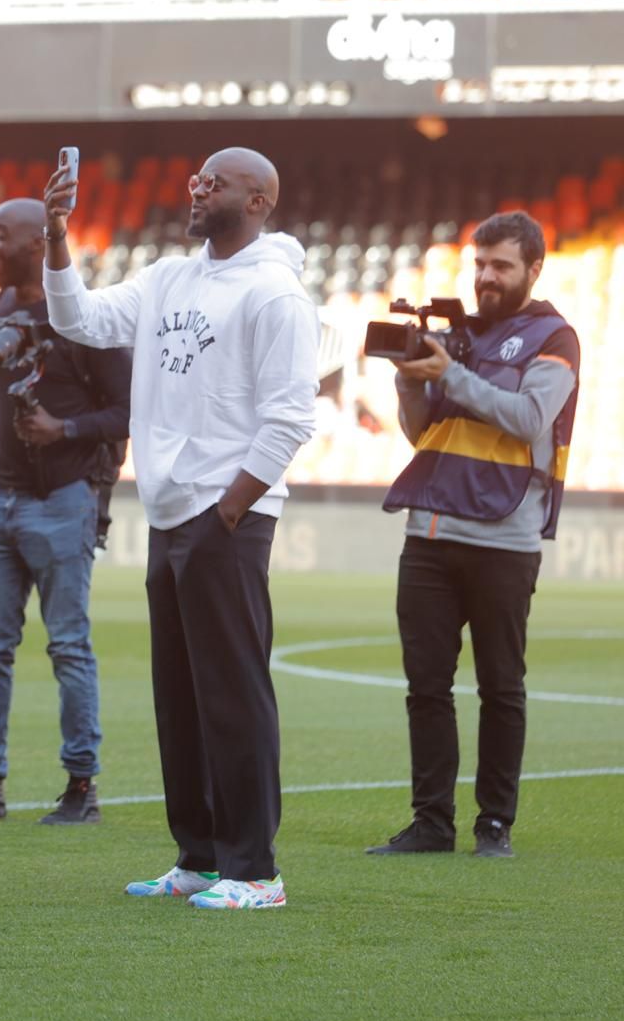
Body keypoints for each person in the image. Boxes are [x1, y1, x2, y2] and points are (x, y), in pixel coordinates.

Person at [43, 147, 318, 910]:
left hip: (225, 517)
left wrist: (228, 509)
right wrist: (57, 234)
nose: (196, 185)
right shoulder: (170, 277)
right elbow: (80, 318)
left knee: (233, 695)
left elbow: (292, 415)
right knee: (182, 697)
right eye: (196, 176)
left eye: (216, 180)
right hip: (170, 513)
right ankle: (198, 856)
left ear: (259, 199)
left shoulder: (275, 294)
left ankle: (256, 870)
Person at [366, 210, 580, 860]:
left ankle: (494, 823)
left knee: (500, 684)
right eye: (479, 264)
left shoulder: (555, 337)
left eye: (501, 266)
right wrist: (411, 382)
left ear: (533, 269)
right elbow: (425, 435)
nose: (486, 277)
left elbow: (526, 417)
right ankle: (431, 821)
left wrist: (450, 375)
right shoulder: (455, 333)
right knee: (426, 684)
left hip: (505, 536)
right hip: (431, 527)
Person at [0, 197, 131, 826]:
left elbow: (129, 411)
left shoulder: (82, 317)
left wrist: (65, 427)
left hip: (63, 498)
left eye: (0, 235)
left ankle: (82, 788)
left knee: (69, 647)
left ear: (34, 242)